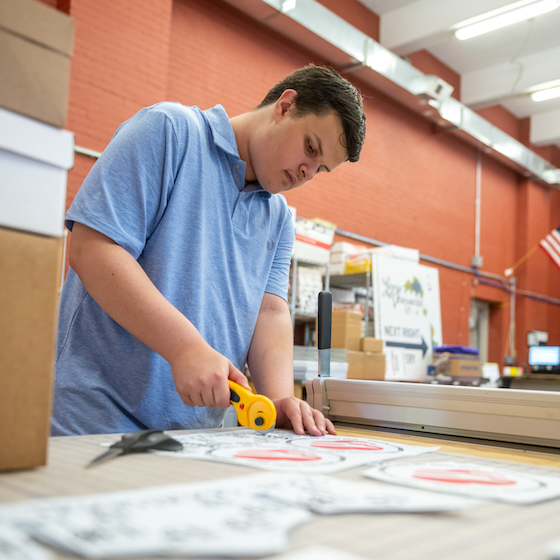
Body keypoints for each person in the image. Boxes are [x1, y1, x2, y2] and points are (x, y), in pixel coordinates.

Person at [52, 64, 366, 437]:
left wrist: (279, 398)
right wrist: (184, 347)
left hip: (195, 435)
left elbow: (269, 310)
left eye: (321, 168)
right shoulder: (169, 131)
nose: (307, 172)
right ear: (285, 106)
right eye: (310, 147)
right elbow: (93, 248)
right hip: (93, 420)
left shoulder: (278, 218)